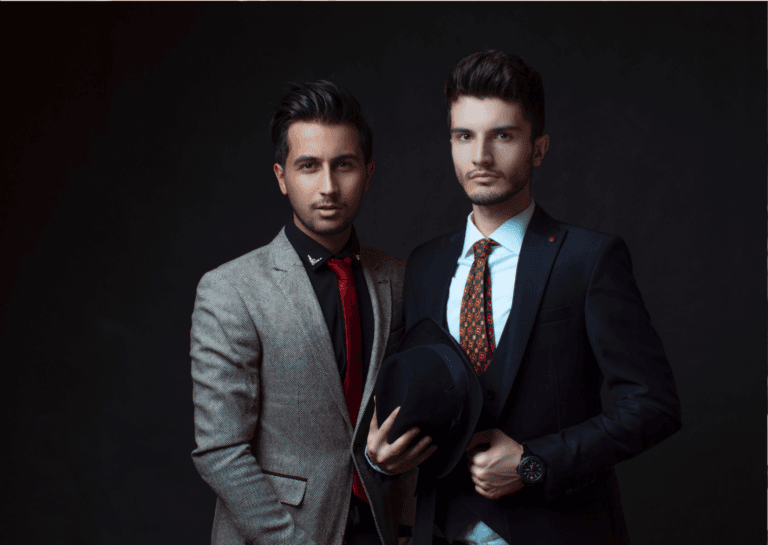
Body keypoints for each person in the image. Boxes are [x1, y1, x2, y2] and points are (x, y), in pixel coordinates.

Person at [366, 50, 682, 544]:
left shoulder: (589, 259)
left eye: (503, 136)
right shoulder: (425, 264)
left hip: (559, 530)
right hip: (441, 530)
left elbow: (654, 404)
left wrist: (535, 463)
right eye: (464, 136)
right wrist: (383, 453)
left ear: (538, 147)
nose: (481, 157)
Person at [191, 80, 417, 545]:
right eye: (309, 167)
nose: (329, 187)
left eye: (345, 166)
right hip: (278, 534)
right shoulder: (230, 291)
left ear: (368, 172)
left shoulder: (398, 278)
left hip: (378, 529)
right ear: (281, 176)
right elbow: (220, 450)